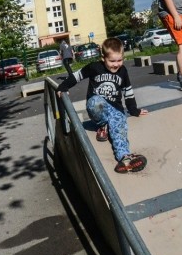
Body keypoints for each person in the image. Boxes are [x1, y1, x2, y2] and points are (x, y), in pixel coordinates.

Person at [56, 37, 149, 173]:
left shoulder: (123, 71)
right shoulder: (94, 67)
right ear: (103, 58)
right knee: (96, 102)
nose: (116, 65)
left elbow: (127, 91)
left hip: (116, 108)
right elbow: (76, 76)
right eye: (112, 61)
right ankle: (102, 125)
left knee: (119, 127)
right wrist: (62, 87)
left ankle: (124, 157)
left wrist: (134, 110)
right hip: (97, 107)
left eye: (119, 60)